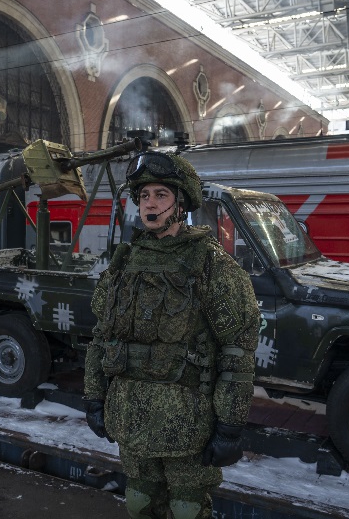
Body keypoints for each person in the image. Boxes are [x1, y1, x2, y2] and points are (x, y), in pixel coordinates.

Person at [83, 151, 261, 519]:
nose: (150, 204)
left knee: (187, 509)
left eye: (161, 195)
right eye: (144, 196)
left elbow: (237, 352)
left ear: (181, 203)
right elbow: (102, 337)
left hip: (188, 424)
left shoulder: (212, 265)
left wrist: (229, 425)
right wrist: (94, 396)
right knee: (139, 503)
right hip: (130, 416)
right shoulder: (125, 261)